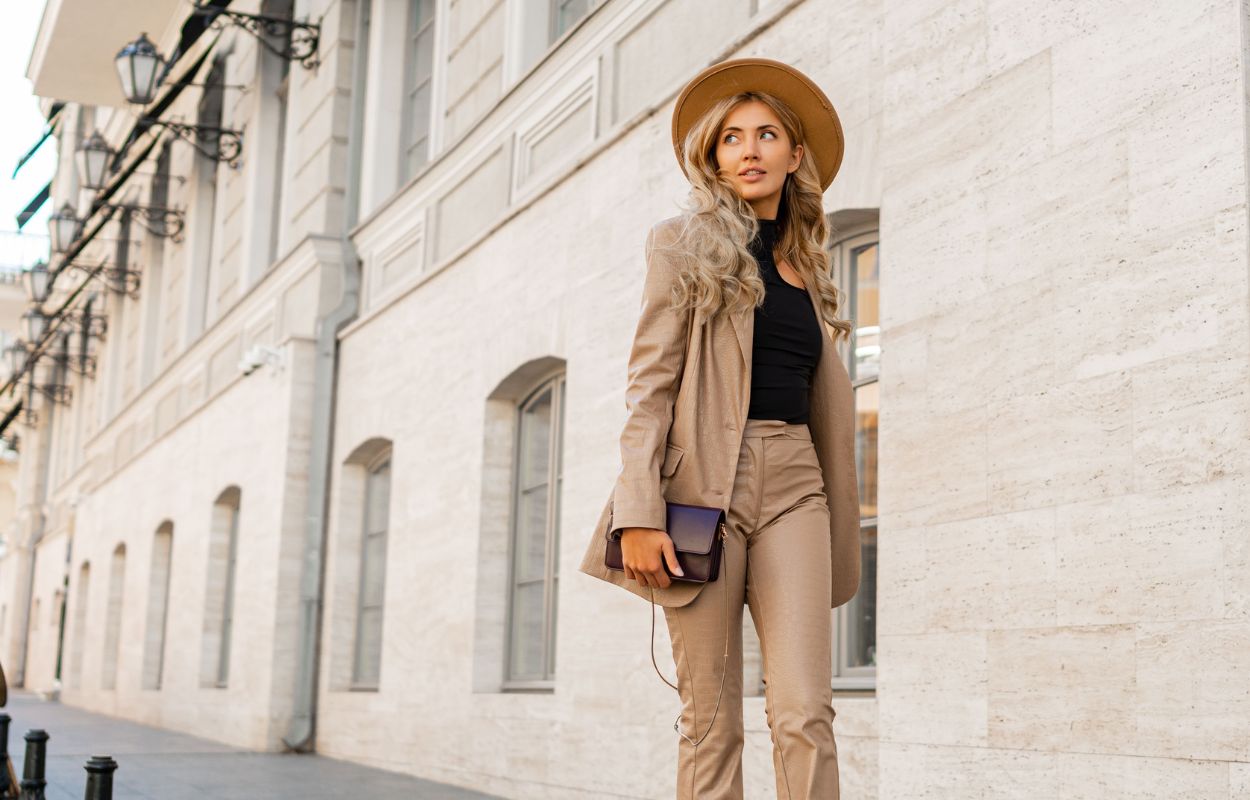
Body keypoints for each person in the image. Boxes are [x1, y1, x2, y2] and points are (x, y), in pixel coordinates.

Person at [577, 57, 862, 800]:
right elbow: (649, 388)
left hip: (796, 486)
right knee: (711, 719)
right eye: (732, 138)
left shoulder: (808, 265)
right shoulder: (682, 245)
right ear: (713, 156)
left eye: (767, 135)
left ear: (795, 155)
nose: (750, 150)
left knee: (805, 711)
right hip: (701, 492)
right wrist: (638, 511)